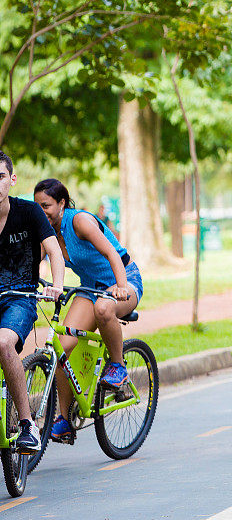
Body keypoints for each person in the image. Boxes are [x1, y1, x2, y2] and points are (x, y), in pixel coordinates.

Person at [33, 178, 143, 442]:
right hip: (90, 287)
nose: (41, 211)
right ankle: (64, 420)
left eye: (46, 205)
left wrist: (120, 286)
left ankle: (118, 368)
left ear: (61, 203)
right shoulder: (46, 233)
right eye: (37, 206)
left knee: (105, 308)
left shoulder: (79, 221)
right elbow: (36, 263)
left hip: (123, 280)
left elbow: (112, 254)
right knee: (61, 349)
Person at [0, 152, 64, 453]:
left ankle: (27, 426)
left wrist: (58, 285)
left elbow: (53, 251)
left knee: (3, 344)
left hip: (21, 298)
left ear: (12, 180)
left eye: (1, 177)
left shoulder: (29, 212)